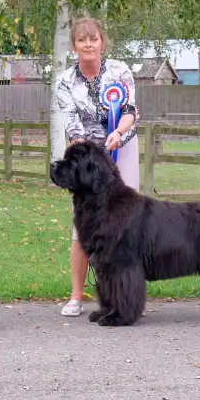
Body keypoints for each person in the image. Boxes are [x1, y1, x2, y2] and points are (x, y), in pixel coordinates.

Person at [51, 16, 140, 318]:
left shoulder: (120, 71)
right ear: (74, 45)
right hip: (87, 158)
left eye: (94, 39)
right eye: (81, 40)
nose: (88, 44)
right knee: (83, 229)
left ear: (102, 42)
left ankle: (124, 295)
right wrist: (89, 156)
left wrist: (118, 133)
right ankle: (76, 296)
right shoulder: (64, 81)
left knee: (126, 224)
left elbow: (130, 111)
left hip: (121, 148)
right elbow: (73, 128)